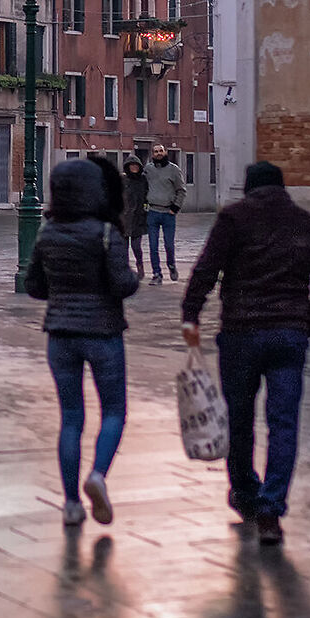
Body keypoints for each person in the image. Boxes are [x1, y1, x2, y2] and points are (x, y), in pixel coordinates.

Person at [181, 161, 310, 546]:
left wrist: (191, 314)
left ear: (249, 188)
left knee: (239, 420)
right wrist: (309, 320)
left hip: (241, 333)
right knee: (283, 423)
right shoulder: (309, 223)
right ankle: (272, 509)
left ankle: (245, 493)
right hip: (289, 335)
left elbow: (207, 269)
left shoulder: (234, 219)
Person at [23, 157, 139, 528]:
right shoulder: (107, 233)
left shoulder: (47, 233)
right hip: (103, 334)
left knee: (71, 418)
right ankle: (98, 475)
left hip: (60, 336)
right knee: (114, 411)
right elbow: (122, 284)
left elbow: (35, 287)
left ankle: (72, 504)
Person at [142, 145, 186, 283]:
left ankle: (171, 265)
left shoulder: (174, 170)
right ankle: (156, 274)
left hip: (168, 213)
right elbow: (139, 181)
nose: (159, 153)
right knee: (153, 246)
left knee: (169, 244)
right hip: (152, 212)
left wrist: (175, 207)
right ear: (152, 154)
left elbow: (181, 190)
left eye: (161, 151)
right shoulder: (148, 169)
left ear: (165, 152)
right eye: (156, 152)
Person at [119, 155, 150, 278]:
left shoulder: (143, 180)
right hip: (124, 219)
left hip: (138, 218)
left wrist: (145, 210)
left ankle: (140, 265)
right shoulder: (122, 180)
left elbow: (147, 196)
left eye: (136, 166)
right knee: (124, 248)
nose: (134, 168)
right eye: (131, 166)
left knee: (136, 247)